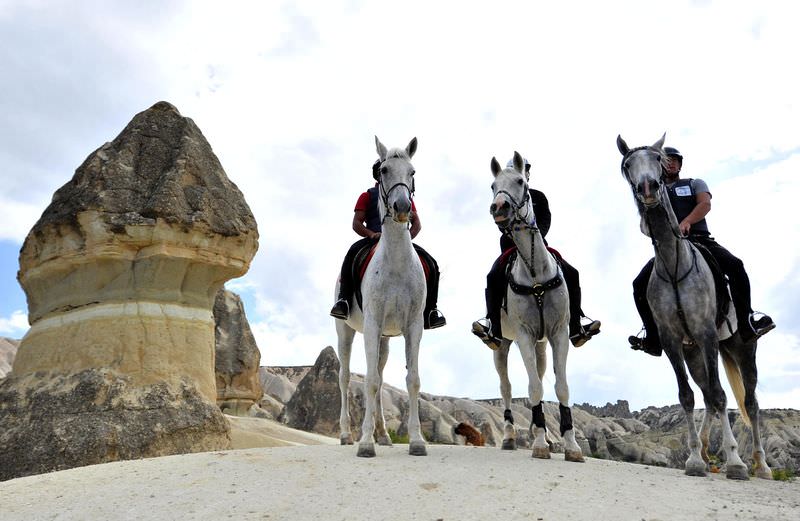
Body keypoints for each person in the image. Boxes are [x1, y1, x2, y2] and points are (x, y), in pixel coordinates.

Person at [628, 146, 775, 356]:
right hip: (670, 249)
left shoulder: (694, 183)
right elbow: (645, 222)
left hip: (700, 240)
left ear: (680, 164)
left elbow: (705, 204)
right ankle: (652, 337)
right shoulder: (653, 191)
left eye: (675, 160)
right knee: (639, 284)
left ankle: (746, 322)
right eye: (665, 160)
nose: (670, 163)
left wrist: (687, 221)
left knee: (735, 265)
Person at [471, 157, 601, 349]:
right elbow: (500, 222)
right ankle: (494, 328)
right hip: (511, 246)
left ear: (527, 174)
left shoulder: (538, 197)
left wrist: (535, 235)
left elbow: (546, 220)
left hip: (539, 245)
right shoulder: (504, 195)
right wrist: (513, 232)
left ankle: (576, 326)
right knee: (493, 276)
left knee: (572, 273)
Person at [329, 160, 446, 329]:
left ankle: (430, 311)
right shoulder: (367, 195)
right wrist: (371, 234)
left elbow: (417, 225)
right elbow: (357, 223)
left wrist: (405, 241)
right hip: (373, 239)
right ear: (379, 175)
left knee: (432, 264)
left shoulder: (404, 196)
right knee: (352, 253)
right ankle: (344, 300)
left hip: (400, 241)